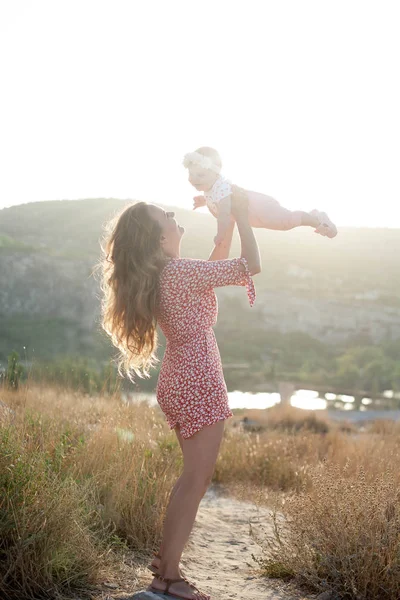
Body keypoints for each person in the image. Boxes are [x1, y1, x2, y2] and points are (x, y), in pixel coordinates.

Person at [99, 186, 261, 600]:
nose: (173, 215)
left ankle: (166, 564)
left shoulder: (172, 273)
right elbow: (251, 265)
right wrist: (243, 216)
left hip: (185, 374)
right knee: (195, 478)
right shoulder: (179, 273)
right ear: (157, 236)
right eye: (164, 214)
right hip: (196, 376)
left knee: (192, 477)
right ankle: (168, 576)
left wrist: (223, 220)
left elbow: (216, 262)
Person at [183, 146, 338, 246]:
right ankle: (313, 215)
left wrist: (220, 234)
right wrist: (204, 201)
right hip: (255, 213)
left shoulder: (221, 188)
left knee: (287, 221)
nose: (194, 179)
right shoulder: (211, 186)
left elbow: (224, 213)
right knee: (285, 222)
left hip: (259, 209)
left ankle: (316, 220)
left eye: (200, 175)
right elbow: (215, 198)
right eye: (191, 174)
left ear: (215, 173)